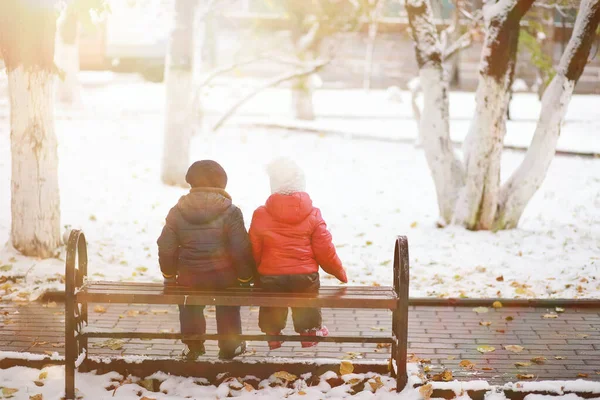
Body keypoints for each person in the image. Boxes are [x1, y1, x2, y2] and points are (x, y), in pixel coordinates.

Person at [157, 160, 255, 360]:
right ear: (222, 183)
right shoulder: (231, 211)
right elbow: (240, 248)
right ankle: (230, 346)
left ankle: (193, 346)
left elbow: (166, 247)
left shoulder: (177, 211)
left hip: (189, 276)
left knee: (189, 300)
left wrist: (169, 275)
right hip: (224, 278)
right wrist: (245, 278)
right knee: (229, 299)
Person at [249, 157, 347, 350]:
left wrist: (256, 273)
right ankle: (309, 332)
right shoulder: (313, 213)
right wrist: (338, 271)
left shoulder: (261, 214)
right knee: (306, 294)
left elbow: (254, 248)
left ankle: (273, 334)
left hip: (271, 275)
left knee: (271, 298)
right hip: (304, 275)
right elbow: (324, 249)